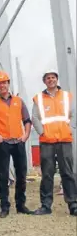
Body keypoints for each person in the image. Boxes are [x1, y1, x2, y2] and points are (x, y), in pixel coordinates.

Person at [0, 71, 33, 218]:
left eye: (4, 82)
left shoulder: (19, 101)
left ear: (8, 83)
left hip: (18, 142)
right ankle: (4, 207)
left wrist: (25, 136)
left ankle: (21, 205)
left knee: (21, 174)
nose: (2, 85)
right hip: (3, 143)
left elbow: (27, 121)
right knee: (3, 175)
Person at [32, 70, 77, 216]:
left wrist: (70, 129)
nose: (50, 80)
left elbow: (73, 114)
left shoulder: (66, 96)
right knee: (47, 174)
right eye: (47, 78)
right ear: (44, 82)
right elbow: (35, 117)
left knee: (68, 173)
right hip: (47, 141)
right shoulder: (38, 98)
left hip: (64, 139)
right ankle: (46, 205)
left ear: (57, 80)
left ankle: (73, 204)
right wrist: (42, 132)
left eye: (53, 77)